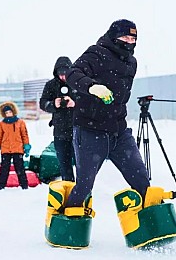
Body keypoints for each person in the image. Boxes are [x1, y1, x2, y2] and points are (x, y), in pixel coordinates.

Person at [64, 19, 150, 208]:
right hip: (90, 130)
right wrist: (93, 87)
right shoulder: (97, 53)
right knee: (84, 187)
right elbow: (72, 74)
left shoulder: (132, 62)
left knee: (142, 182)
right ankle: (66, 227)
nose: (129, 41)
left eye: (133, 38)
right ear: (113, 36)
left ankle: (151, 230)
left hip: (119, 131)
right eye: (124, 36)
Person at [40, 56, 76, 182]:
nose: (63, 77)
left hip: (78, 129)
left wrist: (74, 103)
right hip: (60, 131)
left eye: (65, 74)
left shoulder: (78, 83)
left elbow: (89, 102)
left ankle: (84, 191)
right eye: (60, 74)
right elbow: (42, 103)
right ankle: (68, 187)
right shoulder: (51, 85)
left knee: (81, 164)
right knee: (64, 164)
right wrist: (53, 104)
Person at [0, 101, 31, 190]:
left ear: (13, 112)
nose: (8, 114)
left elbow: (24, 135)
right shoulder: (1, 124)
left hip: (18, 148)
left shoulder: (20, 122)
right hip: (6, 149)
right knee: (4, 169)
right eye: (6, 113)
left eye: (10, 112)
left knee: (20, 168)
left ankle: (24, 185)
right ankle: (1, 185)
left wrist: (26, 146)